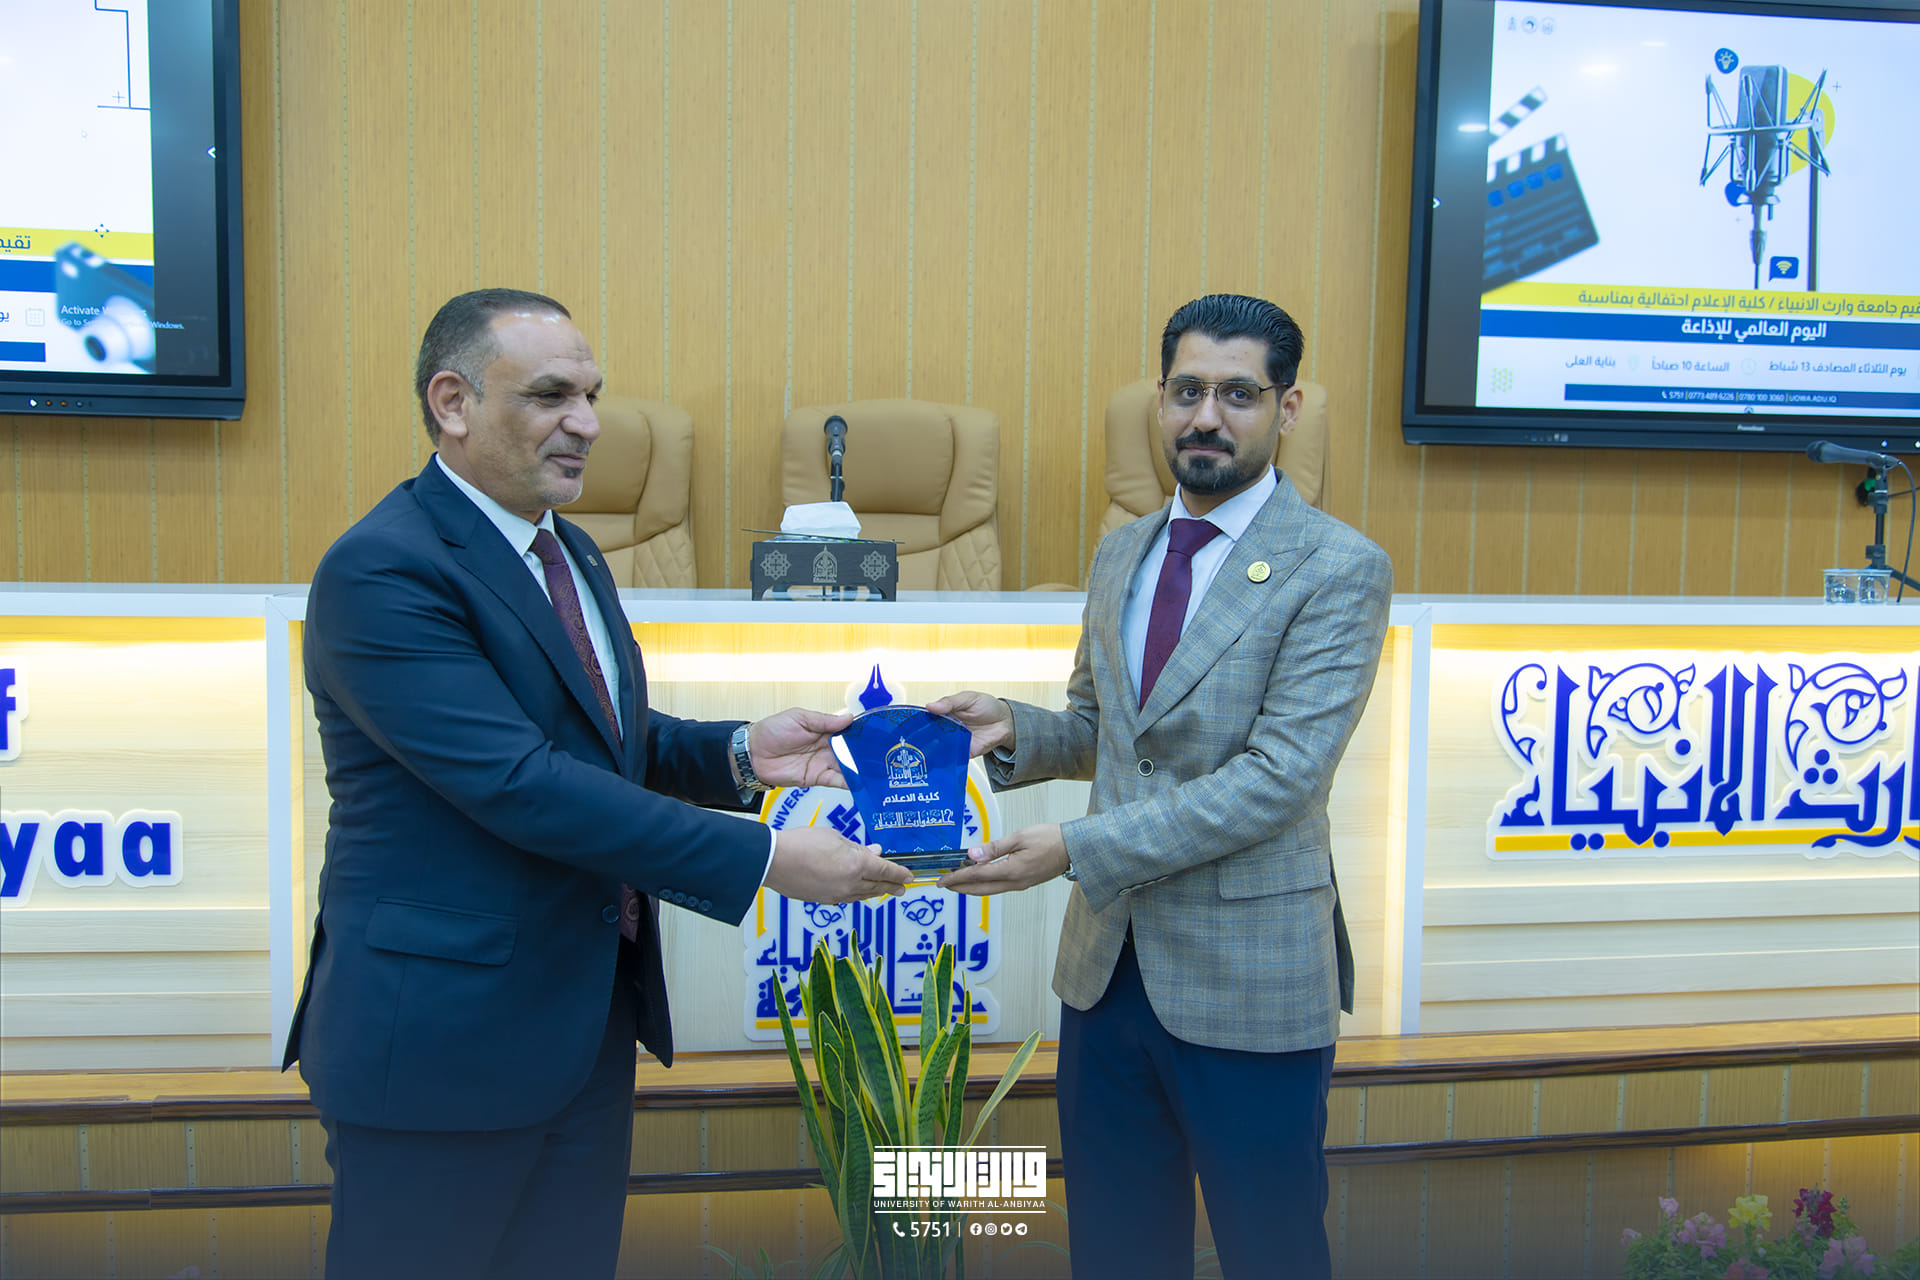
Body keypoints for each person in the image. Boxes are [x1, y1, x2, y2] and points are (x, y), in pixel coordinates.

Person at [283, 288, 911, 1280]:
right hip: (440, 1052)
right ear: (452, 402)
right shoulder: (384, 570)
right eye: (551, 396)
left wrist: (744, 753)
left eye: (591, 395)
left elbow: (602, 741)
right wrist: (765, 857)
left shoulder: (567, 548)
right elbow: (520, 781)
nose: (587, 423)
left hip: (578, 1035)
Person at [932, 293, 1392, 1279]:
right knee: (1117, 1249)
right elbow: (1107, 732)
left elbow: (1278, 779)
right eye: (1187, 391)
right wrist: (1012, 726)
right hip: (1107, 975)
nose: (1206, 417)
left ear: (1287, 407)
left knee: (1271, 1252)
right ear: (1160, 397)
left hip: (1250, 980)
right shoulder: (1123, 551)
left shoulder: (1340, 568)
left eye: (1238, 394)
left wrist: (1074, 847)